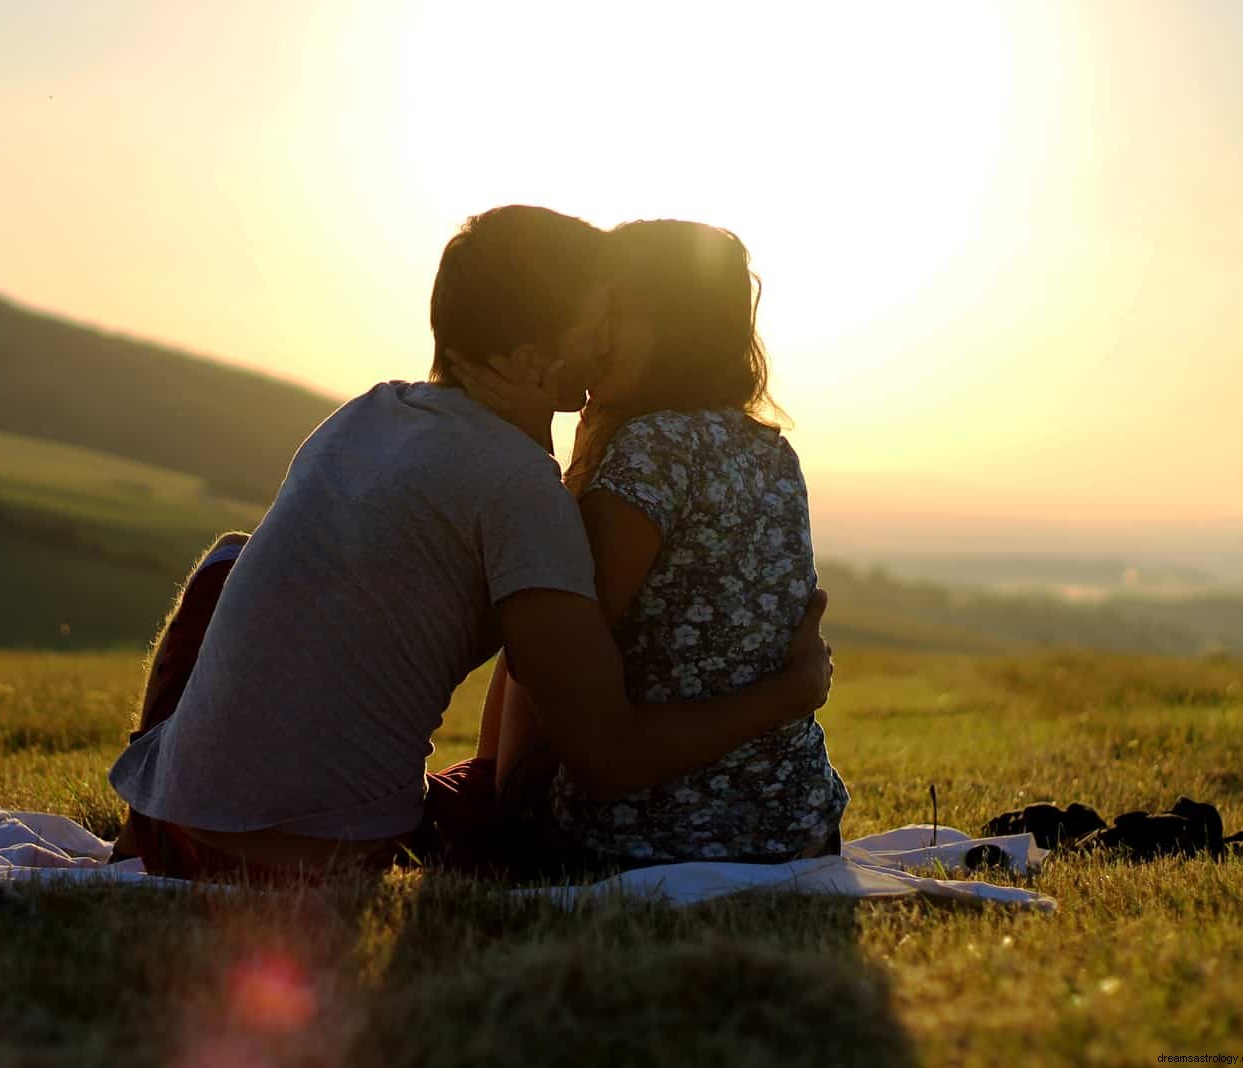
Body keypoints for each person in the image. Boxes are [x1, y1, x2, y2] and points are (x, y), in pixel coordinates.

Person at [107, 205, 835, 878]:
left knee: (229, 563)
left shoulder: (361, 417)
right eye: (597, 320)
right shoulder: (529, 494)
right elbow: (596, 745)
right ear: (531, 362)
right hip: (312, 857)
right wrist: (792, 693)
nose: (605, 340)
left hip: (181, 828)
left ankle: (143, 827)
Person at [459, 219, 848, 867]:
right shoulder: (773, 451)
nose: (592, 337)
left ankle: (500, 811)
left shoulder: (651, 450)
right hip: (796, 822)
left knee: (542, 611)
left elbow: (547, 654)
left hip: (656, 835)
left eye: (613, 311)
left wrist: (504, 804)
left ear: (673, 326)